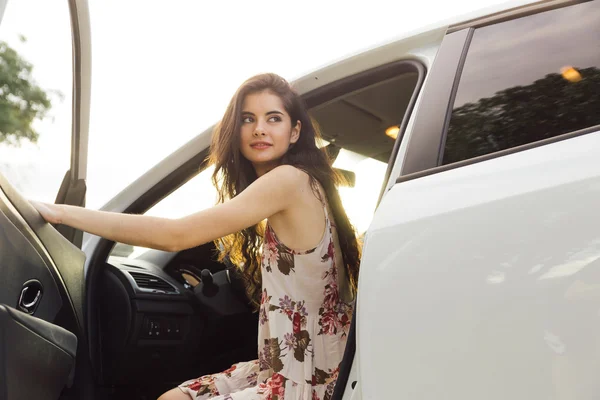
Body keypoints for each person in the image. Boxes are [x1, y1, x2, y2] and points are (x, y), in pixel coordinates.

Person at [33, 73, 361, 400]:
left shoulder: (288, 180)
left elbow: (177, 235)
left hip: (307, 380)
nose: (259, 128)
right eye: (248, 119)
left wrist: (62, 212)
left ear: (295, 132)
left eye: (273, 118)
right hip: (292, 368)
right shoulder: (305, 183)